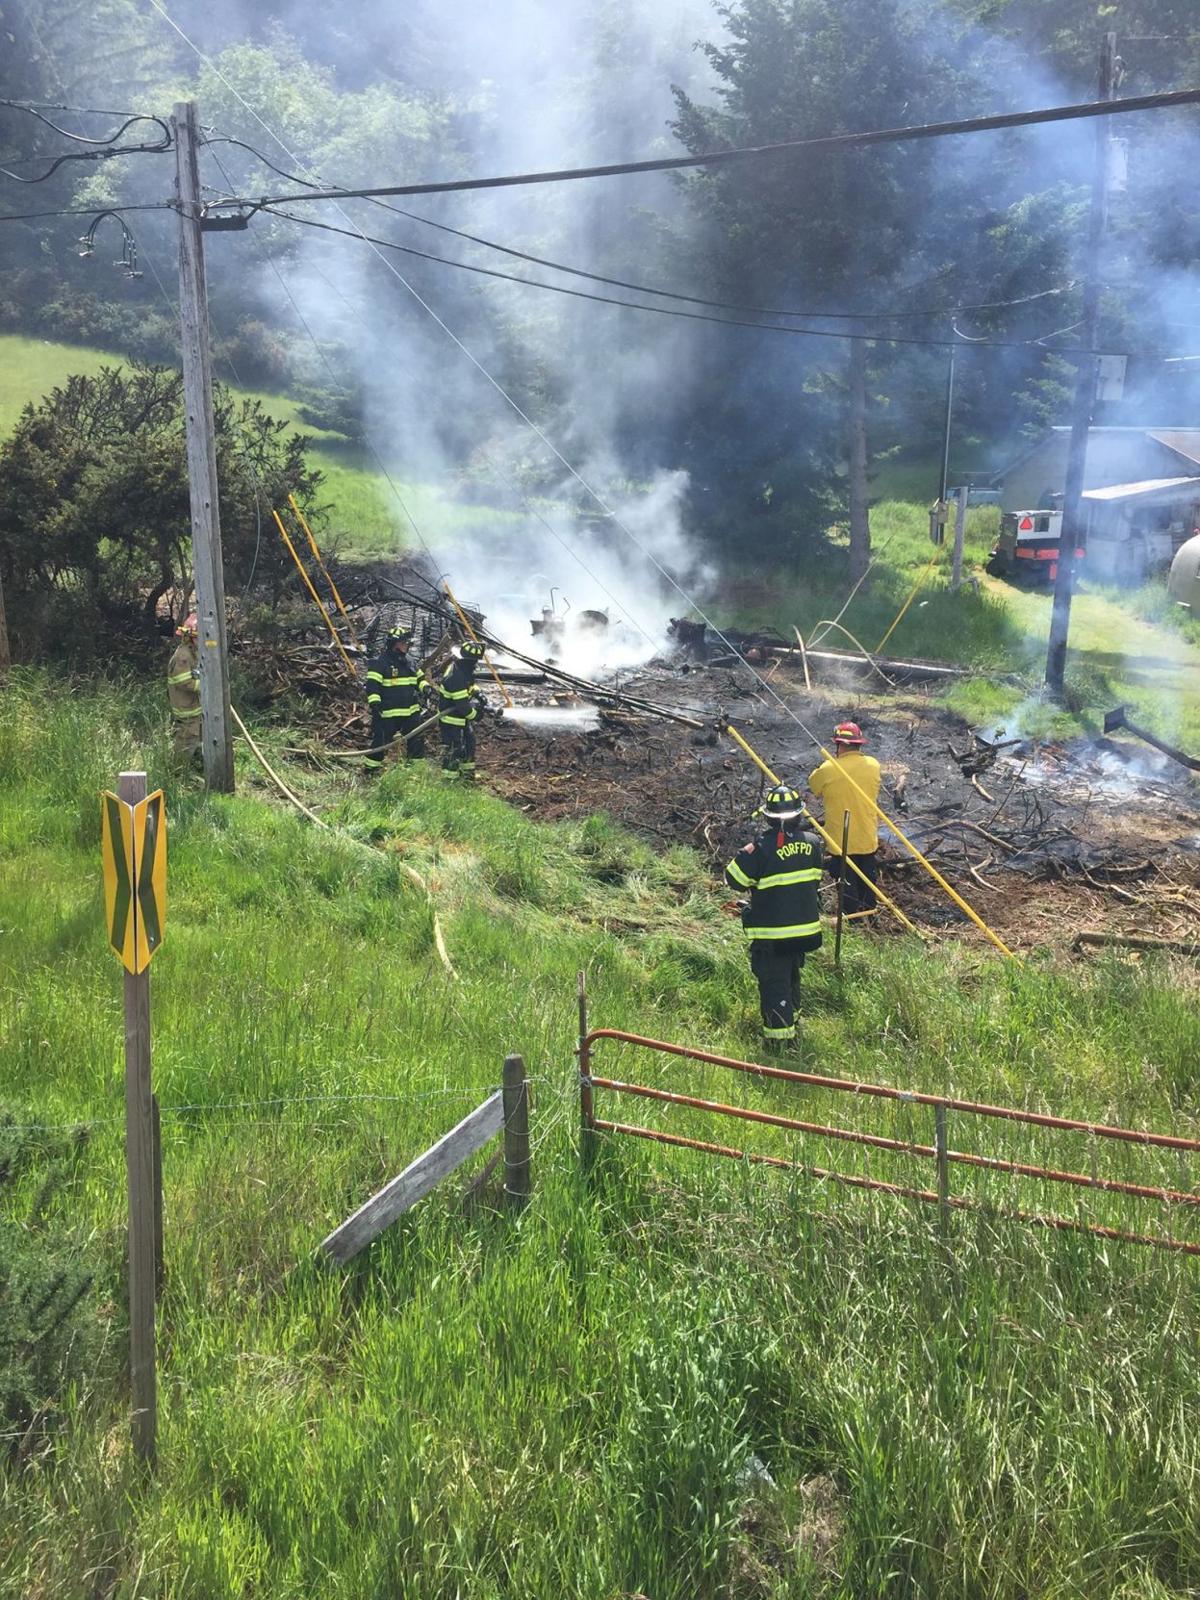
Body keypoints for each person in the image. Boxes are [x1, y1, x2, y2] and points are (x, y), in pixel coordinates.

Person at [724, 784, 823, 1048]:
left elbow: (733, 878)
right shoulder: (813, 844)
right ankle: (793, 1022)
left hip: (772, 935)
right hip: (805, 932)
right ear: (799, 815)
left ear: (768, 817)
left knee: (774, 983)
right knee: (792, 976)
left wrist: (754, 854)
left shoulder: (761, 848)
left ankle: (778, 1046)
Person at [808, 720, 882, 915]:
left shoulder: (828, 768)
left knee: (846, 883)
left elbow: (814, 786)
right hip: (867, 838)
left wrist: (826, 767)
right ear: (858, 744)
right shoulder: (873, 765)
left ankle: (851, 920)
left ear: (839, 745)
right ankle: (870, 915)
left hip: (841, 840)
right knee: (867, 880)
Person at [364, 626, 429, 773]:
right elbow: (372, 686)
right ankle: (370, 771)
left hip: (411, 711)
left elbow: (419, 678)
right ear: (395, 644)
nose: (407, 645)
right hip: (388, 713)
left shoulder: (409, 661)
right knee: (380, 743)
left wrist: (425, 687)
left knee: (416, 741)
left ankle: (415, 772)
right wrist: (375, 704)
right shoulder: (380, 663)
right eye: (404, 642)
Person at [438, 639, 486, 777]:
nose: (475, 664)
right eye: (474, 661)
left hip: (462, 719)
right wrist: (476, 715)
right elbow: (463, 706)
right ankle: (449, 779)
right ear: (468, 661)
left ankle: (467, 775)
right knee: (455, 749)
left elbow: (469, 685)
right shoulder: (455, 677)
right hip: (451, 721)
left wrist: (478, 693)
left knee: (469, 744)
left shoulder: (463, 669)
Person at [166, 613, 202, 763]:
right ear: (191, 637)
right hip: (186, 707)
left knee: (195, 735)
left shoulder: (193, 653)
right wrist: (206, 688)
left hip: (193, 706)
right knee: (188, 737)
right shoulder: (184, 656)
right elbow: (184, 682)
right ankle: (178, 770)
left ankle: (193, 764)